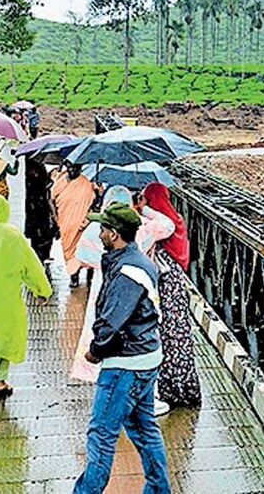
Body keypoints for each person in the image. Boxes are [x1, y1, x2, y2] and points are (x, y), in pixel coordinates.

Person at [75, 202, 170, 494]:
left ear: (114, 234)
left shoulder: (127, 270)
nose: (99, 231)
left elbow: (112, 321)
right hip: (146, 358)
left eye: (103, 228)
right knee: (144, 430)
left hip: (125, 366)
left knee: (101, 435)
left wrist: (94, 350)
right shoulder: (136, 260)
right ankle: (158, 489)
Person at [70, 187, 172, 386]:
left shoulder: (96, 230)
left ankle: (98, 365)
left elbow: (81, 255)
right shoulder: (142, 229)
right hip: (142, 292)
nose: (101, 234)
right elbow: (168, 226)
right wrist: (144, 210)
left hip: (103, 283)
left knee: (103, 319)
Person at [0, 194, 53, 400]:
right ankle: (0, 382)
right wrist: (42, 290)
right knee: (6, 338)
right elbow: (31, 264)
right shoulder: (13, 235)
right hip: (8, 298)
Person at [142, 182, 201, 409]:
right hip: (177, 285)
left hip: (165, 289)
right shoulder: (175, 218)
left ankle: (169, 388)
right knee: (179, 337)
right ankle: (183, 387)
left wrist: (143, 211)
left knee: (165, 336)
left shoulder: (160, 225)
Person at [51, 163, 96, 288]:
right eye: (70, 167)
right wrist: (55, 217)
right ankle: (74, 276)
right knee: (69, 251)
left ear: (80, 169)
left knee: (86, 248)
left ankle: (89, 277)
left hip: (81, 223)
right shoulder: (60, 180)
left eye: (75, 168)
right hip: (64, 222)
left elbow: (92, 201)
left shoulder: (86, 184)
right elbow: (51, 199)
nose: (72, 170)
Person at [24, 159, 57, 263]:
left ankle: (39, 253)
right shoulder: (37, 171)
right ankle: (42, 254)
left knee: (38, 232)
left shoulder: (30, 172)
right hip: (40, 207)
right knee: (43, 231)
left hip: (34, 207)